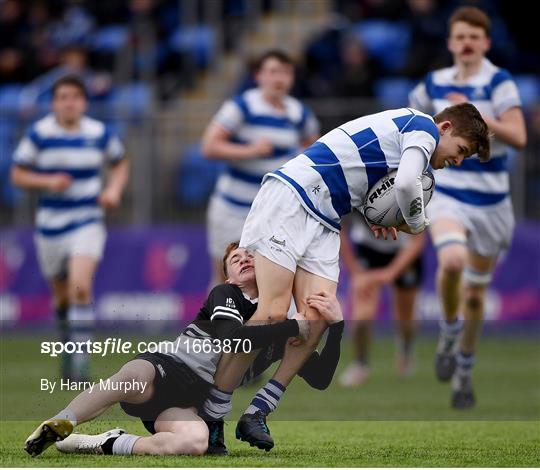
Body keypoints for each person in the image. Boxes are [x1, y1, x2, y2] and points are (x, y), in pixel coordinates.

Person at [200, 102, 490, 450]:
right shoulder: (423, 127)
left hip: (327, 216)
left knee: (318, 315)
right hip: (293, 194)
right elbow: (409, 183)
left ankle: (258, 410)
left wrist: (370, 210)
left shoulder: (410, 132)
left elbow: (364, 170)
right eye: (460, 151)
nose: (457, 161)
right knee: (273, 313)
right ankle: (212, 415)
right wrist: (417, 224)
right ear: (444, 128)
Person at [24, 243, 343, 458]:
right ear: (228, 275)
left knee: (194, 442)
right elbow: (233, 338)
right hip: (168, 367)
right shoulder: (226, 294)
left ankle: (105, 442)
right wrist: (292, 327)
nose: (244, 259)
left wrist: (337, 327)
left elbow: (321, 378)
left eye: (250, 256)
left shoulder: (277, 326)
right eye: (236, 259)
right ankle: (60, 421)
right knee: (129, 379)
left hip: (194, 400)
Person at [408, 6, 527, 409]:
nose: (466, 43)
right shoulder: (433, 83)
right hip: (450, 190)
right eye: (459, 37)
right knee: (452, 261)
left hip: (492, 199)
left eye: (474, 37)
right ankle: (447, 330)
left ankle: (463, 368)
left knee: (476, 295)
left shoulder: (499, 81)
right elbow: (410, 124)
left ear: (486, 43)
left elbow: (520, 135)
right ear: (450, 42)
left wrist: (478, 116)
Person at [11, 75, 129, 381]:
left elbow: (120, 162)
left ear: (84, 102)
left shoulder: (99, 132)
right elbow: (18, 174)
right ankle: (68, 344)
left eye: (75, 97)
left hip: (86, 220)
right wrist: (47, 181)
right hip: (50, 225)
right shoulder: (40, 134)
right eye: (63, 97)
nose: (70, 102)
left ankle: (80, 362)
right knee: (62, 296)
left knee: (80, 286)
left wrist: (114, 190)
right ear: (54, 103)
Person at [202, 49, 320, 286]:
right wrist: (251, 151)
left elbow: (316, 156)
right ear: (258, 76)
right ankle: (216, 323)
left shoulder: (300, 113)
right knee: (225, 279)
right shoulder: (242, 106)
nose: (279, 78)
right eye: (273, 71)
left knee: (270, 282)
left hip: (274, 211)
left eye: (286, 72)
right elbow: (209, 147)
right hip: (233, 209)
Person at [339, 214, 425, 386]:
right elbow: (338, 228)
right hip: (368, 249)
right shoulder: (354, 190)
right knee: (361, 316)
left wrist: (391, 273)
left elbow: (418, 239)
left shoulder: (411, 190)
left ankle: (405, 351)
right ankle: (360, 363)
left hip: (403, 250)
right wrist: (355, 271)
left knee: (405, 316)